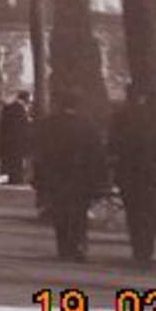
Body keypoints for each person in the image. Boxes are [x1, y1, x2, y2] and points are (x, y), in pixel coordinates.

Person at [33, 90, 110, 261]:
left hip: (56, 175)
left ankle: (64, 246)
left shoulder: (49, 125)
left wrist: (40, 177)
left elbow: (40, 152)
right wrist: (100, 177)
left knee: (60, 210)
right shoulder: (87, 126)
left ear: (60, 104)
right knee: (79, 212)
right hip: (80, 176)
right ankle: (79, 245)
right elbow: (97, 154)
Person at [109, 84, 156, 264]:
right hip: (152, 173)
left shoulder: (121, 117)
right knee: (148, 211)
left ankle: (139, 248)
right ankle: (146, 248)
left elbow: (113, 144)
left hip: (129, 173)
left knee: (133, 212)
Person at [0, 91, 33, 186]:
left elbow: (1, 127)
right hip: (17, 145)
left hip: (6, 144)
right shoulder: (21, 110)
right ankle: (15, 182)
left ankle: (3, 182)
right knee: (16, 167)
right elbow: (23, 129)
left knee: (7, 166)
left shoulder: (7, 108)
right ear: (26, 99)